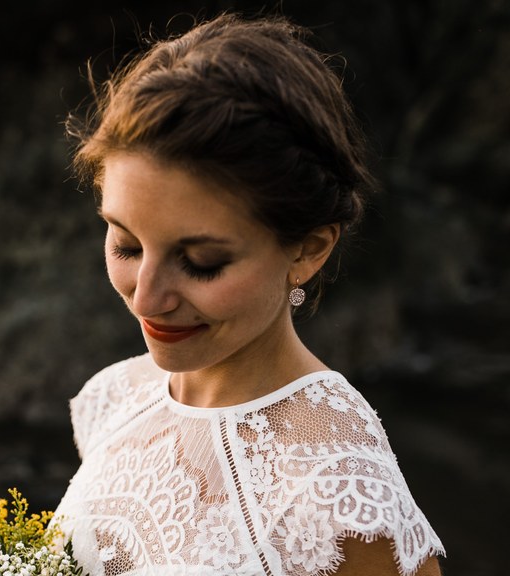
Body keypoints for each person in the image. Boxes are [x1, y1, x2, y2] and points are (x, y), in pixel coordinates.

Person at [54, 12, 445, 576]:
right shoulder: (115, 399)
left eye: (202, 263)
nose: (145, 299)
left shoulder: (341, 499)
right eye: (127, 245)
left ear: (308, 250)